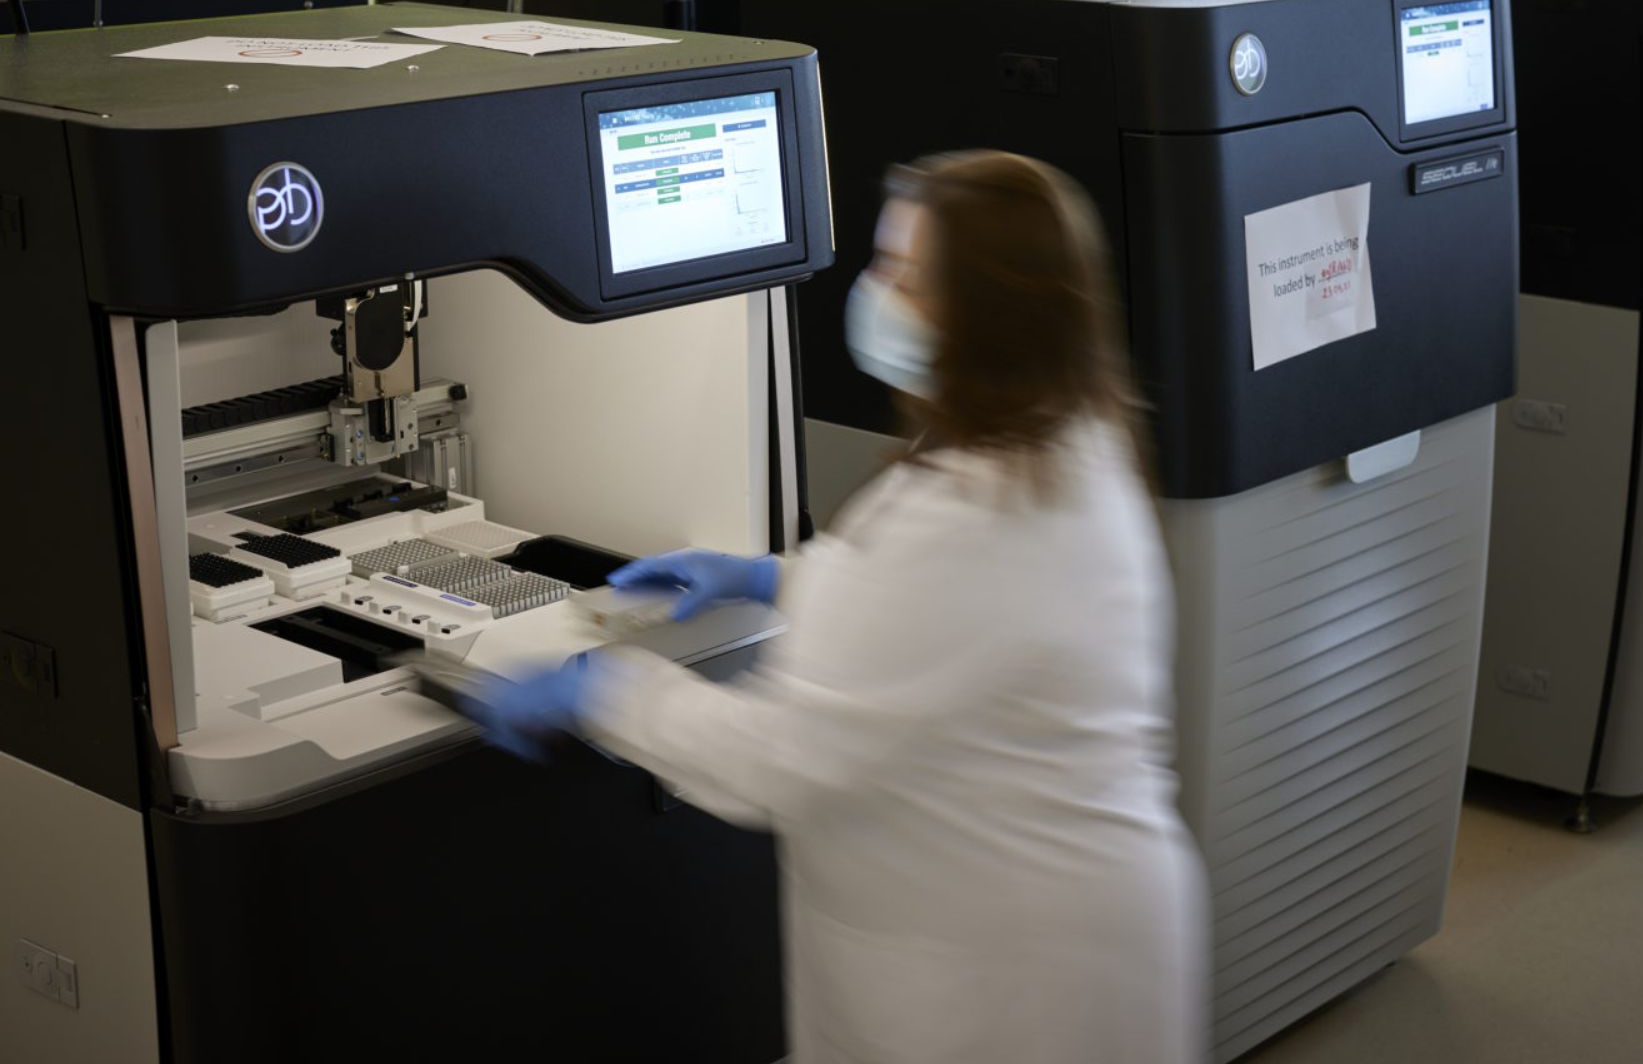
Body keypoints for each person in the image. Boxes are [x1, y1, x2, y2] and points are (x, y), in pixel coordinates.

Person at [481, 150, 1208, 1064]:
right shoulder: (1065, 441)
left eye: (903, 273)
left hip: (1012, 974)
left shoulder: (975, 515)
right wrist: (771, 578)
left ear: (984, 317)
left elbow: (785, 760)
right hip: (1056, 916)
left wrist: (603, 691)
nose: (873, 291)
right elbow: (946, 624)